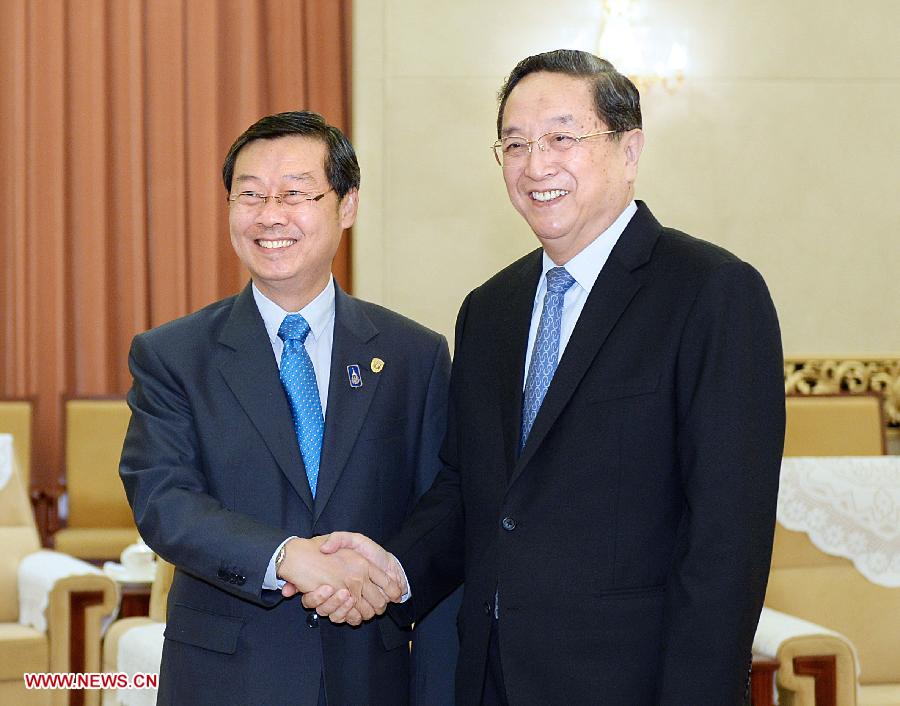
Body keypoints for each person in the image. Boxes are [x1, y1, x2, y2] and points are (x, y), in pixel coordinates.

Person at [310, 50, 785, 705]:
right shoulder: (490, 308)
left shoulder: (711, 293)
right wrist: (392, 569)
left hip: (633, 682)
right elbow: (471, 491)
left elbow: (726, 538)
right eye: (515, 143)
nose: (537, 165)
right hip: (491, 677)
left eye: (563, 137)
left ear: (629, 148)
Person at [119, 111, 458, 706]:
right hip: (226, 678)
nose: (270, 215)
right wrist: (287, 559)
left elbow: (445, 501)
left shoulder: (413, 354)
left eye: (296, 193)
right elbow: (164, 501)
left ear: (347, 205)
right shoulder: (172, 355)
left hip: (369, 675)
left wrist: (390, 576)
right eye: (249, 195)